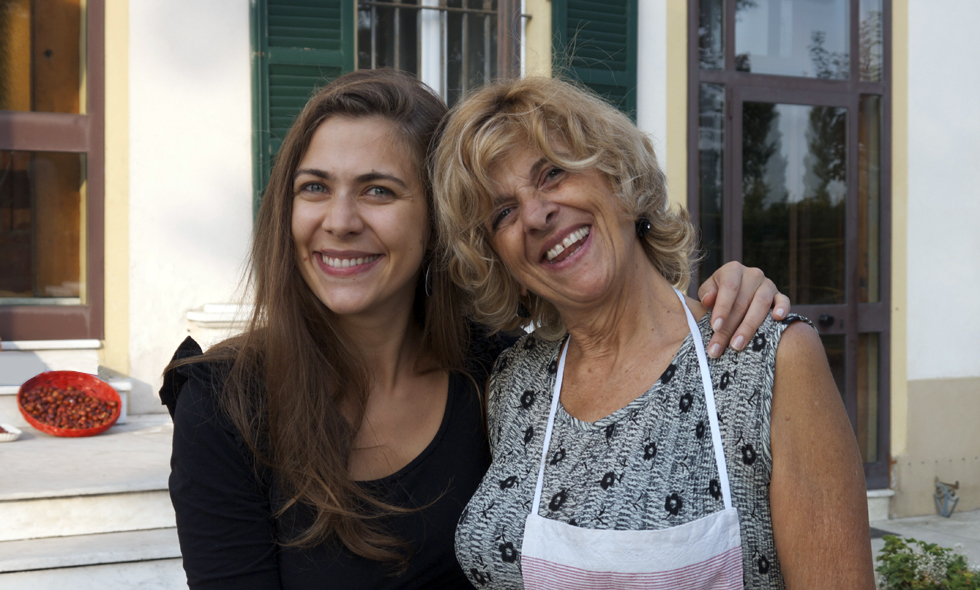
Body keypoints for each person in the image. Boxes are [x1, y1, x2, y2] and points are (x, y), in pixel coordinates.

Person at [160, 70, 790, 590]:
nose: (341, 220)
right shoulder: (226, 404)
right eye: (315, 188)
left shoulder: (502, 373)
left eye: (378, 190)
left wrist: (728, 294)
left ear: (441, 223)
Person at [434, 77, 874, 589]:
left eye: (553, 174)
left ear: (618, 177)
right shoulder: (514, 382)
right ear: (497, 256)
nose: (536, 215)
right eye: (502, 212)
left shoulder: (765, 358)